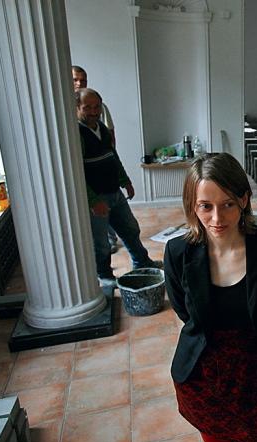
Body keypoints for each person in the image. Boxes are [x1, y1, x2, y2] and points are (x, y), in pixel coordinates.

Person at [164, 153, 257, 442]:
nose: (217, 218)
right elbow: (185, 312)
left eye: (227, 204)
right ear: (192, 205)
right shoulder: (177, 252)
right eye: (205, 206)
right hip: (205, 378)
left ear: (244, 200)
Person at [75, 88, 160, 287]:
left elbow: (113, 157)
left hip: (115, 192)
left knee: (130, 229)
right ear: (77, 107)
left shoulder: (103, 129)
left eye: (97, 107)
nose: (94, 112)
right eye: (87, 107)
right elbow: (76, 172)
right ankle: (104, 275)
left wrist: (126, 181)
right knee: (101, 243)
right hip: (96, 197)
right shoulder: (75, 135)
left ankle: (142, 262)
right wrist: (93, 201)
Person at [73, 64, 120, 252]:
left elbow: (111, 139)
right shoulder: (71, 122)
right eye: (75, 79)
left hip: (109, 179)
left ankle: (114, 242)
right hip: (91, 188)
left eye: (83, 80)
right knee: (97, 235)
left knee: (127, 226)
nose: (79, 83)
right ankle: (103, 266)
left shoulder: (100, 114)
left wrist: (119, 174)